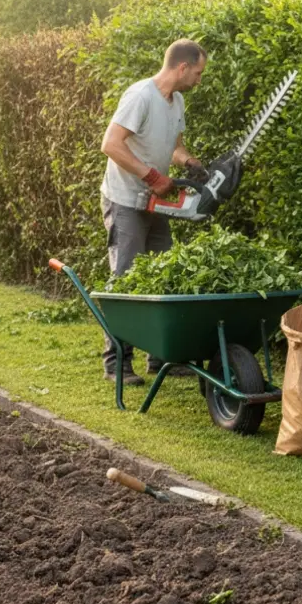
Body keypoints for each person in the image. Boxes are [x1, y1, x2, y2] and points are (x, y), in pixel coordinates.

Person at [99, 38, 208, 384]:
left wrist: (190, 161)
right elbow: (111, 144)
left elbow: (174, 148)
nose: (199, 80)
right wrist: (151, 176)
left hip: (154, 202)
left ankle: (161, 358)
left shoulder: (176, 103)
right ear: (182, 67)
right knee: (127, 280)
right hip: (125, 200)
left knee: (164, 276)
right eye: (198, 73)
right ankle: (117, 363)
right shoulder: (140, 96)